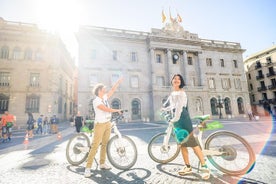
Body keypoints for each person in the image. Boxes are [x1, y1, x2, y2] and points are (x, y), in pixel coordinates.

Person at [162, 74, 210, 180]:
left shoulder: (182, 92)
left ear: (181, 82)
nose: (176, 80)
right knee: (182, 144)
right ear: (172, 81)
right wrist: (165, 110)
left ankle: (205, 167)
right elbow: (173, 106)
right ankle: (188, 167)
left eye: (179, 79)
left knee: (192, 143)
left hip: (182, 117)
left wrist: (175, 118)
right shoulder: (173, 93)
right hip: (177, 118)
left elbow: (179, 107)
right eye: (174, 78)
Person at [84, 78, 123, 178]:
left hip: (107, 123)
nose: (105, 90)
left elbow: (112, 90)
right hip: (100, 125)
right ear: (99, 91)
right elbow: (106, 109)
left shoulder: (104, 97)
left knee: (104, 144)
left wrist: (118, 82)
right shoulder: (96, 101)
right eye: (103, 89)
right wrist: (117, 110)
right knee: (95, 145)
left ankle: (102, 163)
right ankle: (87, 168)